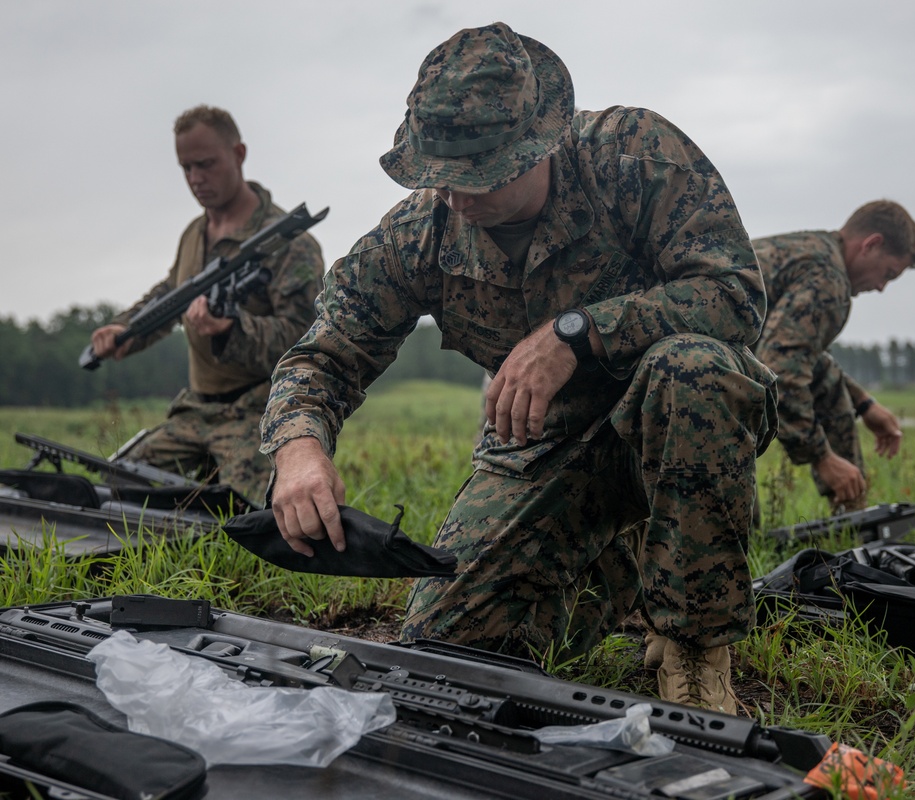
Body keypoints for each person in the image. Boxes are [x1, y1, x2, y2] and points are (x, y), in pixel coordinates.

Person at [259, 23, 777, 715]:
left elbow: (736, 297)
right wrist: (298, 450)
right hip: (542, 446)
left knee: (693, 370)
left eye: (478, 174)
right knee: (447, 651)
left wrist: (579, 333)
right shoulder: (418, 235)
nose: (453, 196)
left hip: (679, 421)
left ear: (543, 143)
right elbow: (323, 354)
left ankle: (694, 643)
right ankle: (625, 567)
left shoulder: (634, 156)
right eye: (437, 175)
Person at [88, 105, 325, 508]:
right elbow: (170, 293)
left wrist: (232, 329)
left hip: (260, 410)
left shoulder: (289, 243)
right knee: (116, 490)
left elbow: (306, 344)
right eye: (186, 168)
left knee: (251, 516)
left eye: (207, 164)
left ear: (239, 153)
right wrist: (125, 329)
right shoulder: (194, 234)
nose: (196, 179)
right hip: (195, 410)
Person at [751, 201, 915, 514]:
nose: (882, 287)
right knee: (736, 543)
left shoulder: (812, 248)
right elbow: (780, 371)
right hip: (693, 378)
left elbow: (807, 360)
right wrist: (822, 458)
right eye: (888, 274)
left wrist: (864, 403)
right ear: (872, 244)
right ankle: (851, 517)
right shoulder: (828, 280)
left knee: (826, 378)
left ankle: (851, 517)